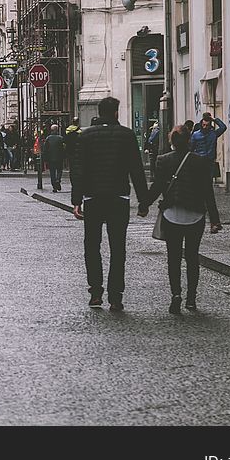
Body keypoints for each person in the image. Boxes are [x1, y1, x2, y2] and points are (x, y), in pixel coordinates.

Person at [70, 97, 149, 310]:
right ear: (116, 112)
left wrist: (76, 201)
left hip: (93, 198)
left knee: (92, 246)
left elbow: (79, 170)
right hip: (118, 198)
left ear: (99, 111)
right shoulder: (127, 135)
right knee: (117, 248)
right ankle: (116, 296)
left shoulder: (86, 137)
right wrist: (144, 201)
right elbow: (136, 170)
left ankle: (95, 292)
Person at [139, 126, 223, 314]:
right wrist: (214, 219)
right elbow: (207, 192)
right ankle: (191, 299)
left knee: (173, 258)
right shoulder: (200, 162)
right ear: (189, 141)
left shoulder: (164, 160)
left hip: (172, 214)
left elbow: (158, 186)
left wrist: (144, 205)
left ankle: (176, 295)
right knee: (193, 258)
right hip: (196, 214)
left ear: (172, 142)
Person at [189, 112, 227, 178]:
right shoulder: (195, 134)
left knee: (209, 179)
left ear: (210, 125)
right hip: (199, 160)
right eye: (203, 125)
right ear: (201, 124)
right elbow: (191, 148)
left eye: (207, 125)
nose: (205, 127)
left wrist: (214, 119)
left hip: (210, 160)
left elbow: (223, 127)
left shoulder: (213, 134)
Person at [43, 124, 65, 192]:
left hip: (51, 158)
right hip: (59, 157)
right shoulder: (61, 138)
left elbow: (45, 149)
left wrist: (45, 158)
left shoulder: (48, 138)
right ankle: (58, 180)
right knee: (59, 170)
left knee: (52, 172)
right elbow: (63, 148)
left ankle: (54, 186)